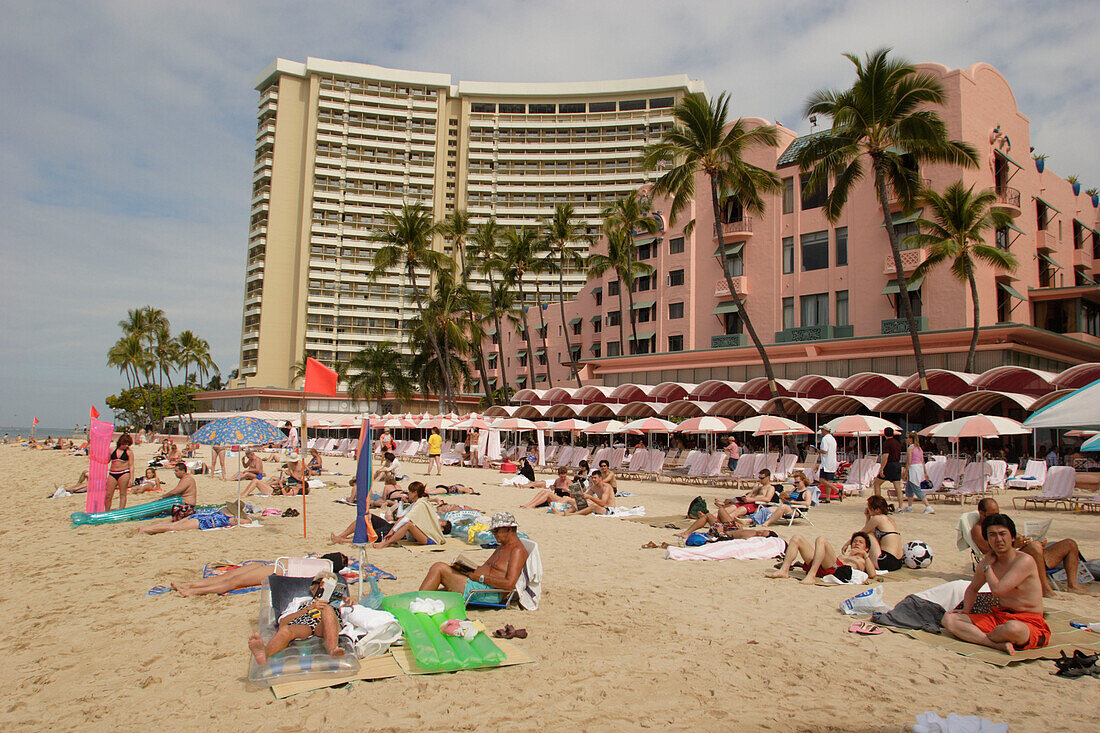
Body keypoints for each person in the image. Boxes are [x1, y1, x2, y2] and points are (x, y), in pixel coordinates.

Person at [941, 514, 1050, 655]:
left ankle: (983, 636)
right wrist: (966, 610)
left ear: (1012, 537)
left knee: (1013, 629)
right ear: (987, 540)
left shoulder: (1024, 561)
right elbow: (973, 589)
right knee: (949, 619)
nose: (998, 539)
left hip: (1029, 621)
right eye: (992, 535)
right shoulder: (989, 561)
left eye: (1002, 534)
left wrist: (987, 568)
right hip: (1000, 617)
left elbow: (998, 590)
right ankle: (993, 643)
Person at [971, 498, 1086, 596]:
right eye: (992, 514)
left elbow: (1016, 537)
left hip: (1027, 556)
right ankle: (1045, 589)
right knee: (1035, 547)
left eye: (997, 513)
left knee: (1069, 544)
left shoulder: (1000, 524)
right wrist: (1015, 544)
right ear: (981, 513)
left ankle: (1073, 585)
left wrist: (1036, 540)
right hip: (1011, 562)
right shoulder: (978, 530)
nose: (995, 517)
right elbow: (989, 551)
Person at [419, 512, 529, 601]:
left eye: (496, 530)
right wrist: (464, 568)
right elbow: (486, 567)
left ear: (509, 529)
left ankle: (416, 603)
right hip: (479, 584)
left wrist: (480, 578)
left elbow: (509, 584)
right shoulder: (503, 546)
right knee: (433, 594)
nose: (494, 534)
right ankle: (416, 601)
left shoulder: (517, 550)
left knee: (439, 568)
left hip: (488, 592)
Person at [248, 571, 349, 664]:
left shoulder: (339, 603)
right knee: (286, 630)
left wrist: (350, 605)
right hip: (305, 626)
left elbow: (351, 618)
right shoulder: (299, 601)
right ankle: (265, 653)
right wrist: (309, 608)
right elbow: (283, 623)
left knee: (327, 609)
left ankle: (332, 649)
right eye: (323, 583)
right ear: (314, 587)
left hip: (326, 626)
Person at [173, 553, 348, 597]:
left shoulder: (321, 566)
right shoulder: (324, 569)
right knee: (234, 576)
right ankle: (192, 585)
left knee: (234, 580)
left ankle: (193, 590)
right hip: (276, 567)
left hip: (278, 570)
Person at [766, 531, 878, 584]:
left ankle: (811, 575)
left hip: (837, 569)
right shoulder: (845, 555)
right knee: (797, 537)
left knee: (821, 540)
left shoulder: (862, 560)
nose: (856, 543)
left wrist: (864, 555)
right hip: (822, 566)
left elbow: (872, 574)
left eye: (860, 542)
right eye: (854, 541)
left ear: (866, 548)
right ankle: (784, 570)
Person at [139, 500, 243, 535]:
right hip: (201, 522)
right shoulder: (232, 519)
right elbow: (247, 521)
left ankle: (146, 528)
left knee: (173, 525)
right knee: (173, 528)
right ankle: (145, 529)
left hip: (199, 516)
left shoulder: (224, 510)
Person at [858, 495, 904, 571]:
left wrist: (847, 544)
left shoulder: (877, 518)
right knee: (869, 533)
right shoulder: (889, 519)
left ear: (877, 510)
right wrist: (868, 518)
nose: (867, 509)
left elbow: (862, 533)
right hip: (898, 562)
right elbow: (868, 529)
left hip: (886, 561)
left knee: (868, 535)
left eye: (869, 508)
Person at [900, 432, 934, 514]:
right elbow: (922, 461)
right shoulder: (919, 448)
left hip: (913, 468)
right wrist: (925, 472)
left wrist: (905, 472)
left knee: (916, 488)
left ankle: (928, 506)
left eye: (907, 438)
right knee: (909, 487)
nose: (906, 439)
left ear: (911, 439)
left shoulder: (910, 449)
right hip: (919, 468)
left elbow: (909, 462)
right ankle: (909, 506)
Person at [872, 427, 905, 506]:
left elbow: (885, 456)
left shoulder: (886, 443)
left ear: (884, 434)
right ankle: (900, 507)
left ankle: (878, 504)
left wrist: (882, 468)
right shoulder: (897, 443)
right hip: (897, 464)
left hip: (889, 464)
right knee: (898, 487)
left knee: (876, 483)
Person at [809, 425, 842, 502]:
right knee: (828, 480)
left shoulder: (825, 439)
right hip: (832, 462)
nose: (821, 431)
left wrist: (816, 450)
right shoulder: (832, 439)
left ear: (824, 430)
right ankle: (828, 498)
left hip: (826, 463)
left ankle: (837, 490)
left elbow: (824, 451)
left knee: (822, 480)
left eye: (821, 430)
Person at [105, 433, 135, 511]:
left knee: (122, 493)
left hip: (124, 473)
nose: (126, 446)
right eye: (124, 444)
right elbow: (106, 461)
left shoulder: (129, 452)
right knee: (108, 494)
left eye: (127, 444)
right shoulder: (112, 449)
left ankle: (121, 510)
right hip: (112, 473)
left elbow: (131, 465)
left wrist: (132, 478)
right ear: (120, 443)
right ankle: (106, 511)